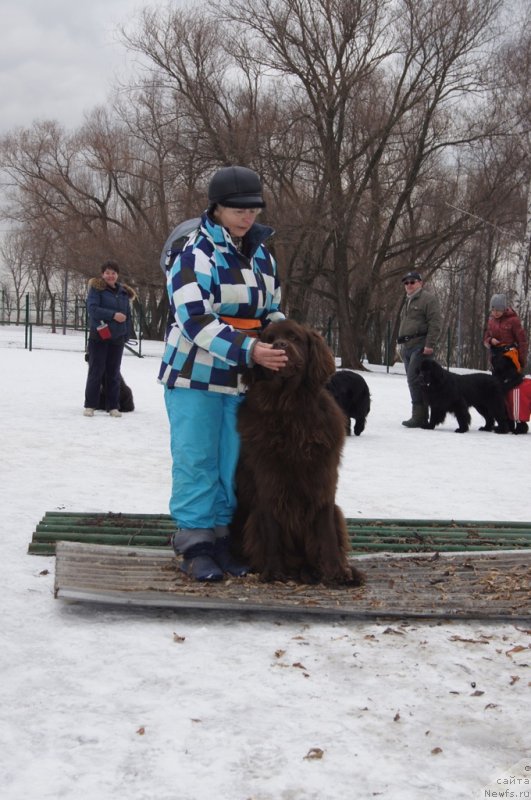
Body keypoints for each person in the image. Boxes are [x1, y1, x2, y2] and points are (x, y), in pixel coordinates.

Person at [158, 165, 287, 582]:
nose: (247, 217)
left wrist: (284, 340)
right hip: (195, 375)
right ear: (216, 208)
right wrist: (250, 349)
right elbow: (195, 320)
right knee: (198, 458)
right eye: (238, 209)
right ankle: (194, 541)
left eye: (253, 208)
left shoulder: (263, 254)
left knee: (234, 462)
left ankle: (222, 537)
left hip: (242, 379)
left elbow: (272, 309)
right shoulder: (193, 254)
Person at [84, 260, 136, 418]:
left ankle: (113, 406)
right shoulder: (96, 289)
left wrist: (125, 334)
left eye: (113, 273)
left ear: (117, 275)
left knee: (114, 373)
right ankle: (90, 405)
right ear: (102, 274)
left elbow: (127, 316)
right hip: (99, 337)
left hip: (117, 339)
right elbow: (92, 310)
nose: (110, 276)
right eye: (107, 272)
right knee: (96, 371)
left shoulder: (123, 293)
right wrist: (113, 315)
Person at [397, 270, 442, 428]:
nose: (409, 285)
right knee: (415, 381)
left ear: (420, 283)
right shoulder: (408, 300)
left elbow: (435, 323)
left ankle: (419, 416)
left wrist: (430, 344)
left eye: (412, 282)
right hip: (407, 346)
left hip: (420, 346)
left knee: (413, 379)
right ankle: (421, 415)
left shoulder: (428, 299)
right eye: (406, 282)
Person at [483, 294, 528, 373]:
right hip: (496, 359)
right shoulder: (491, 321)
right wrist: (490, 340)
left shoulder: (513, 320)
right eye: (493, 310)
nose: (495, 312)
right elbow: (486, 339)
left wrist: (521, 361)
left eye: (498, 310)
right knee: (496, 382)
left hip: (510, 359)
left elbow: (522, 341)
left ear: (504, 309)